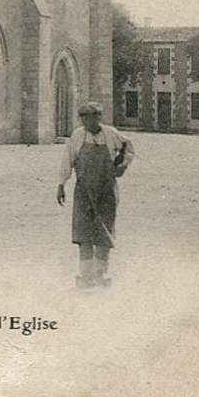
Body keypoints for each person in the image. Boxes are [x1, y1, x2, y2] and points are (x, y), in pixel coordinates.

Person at [56, 102, 134, 290]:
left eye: (91, 117)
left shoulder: (111, 134)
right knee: (83, 233)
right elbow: (67, 160)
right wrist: (61, 184)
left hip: (107, 191)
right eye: (83, 118)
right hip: (83, 191)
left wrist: (122, 166)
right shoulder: (77, 136)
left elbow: (129, 148)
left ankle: (101, 273)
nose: (87, 122)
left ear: (98, 117)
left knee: (104, 231)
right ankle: (86, 275)